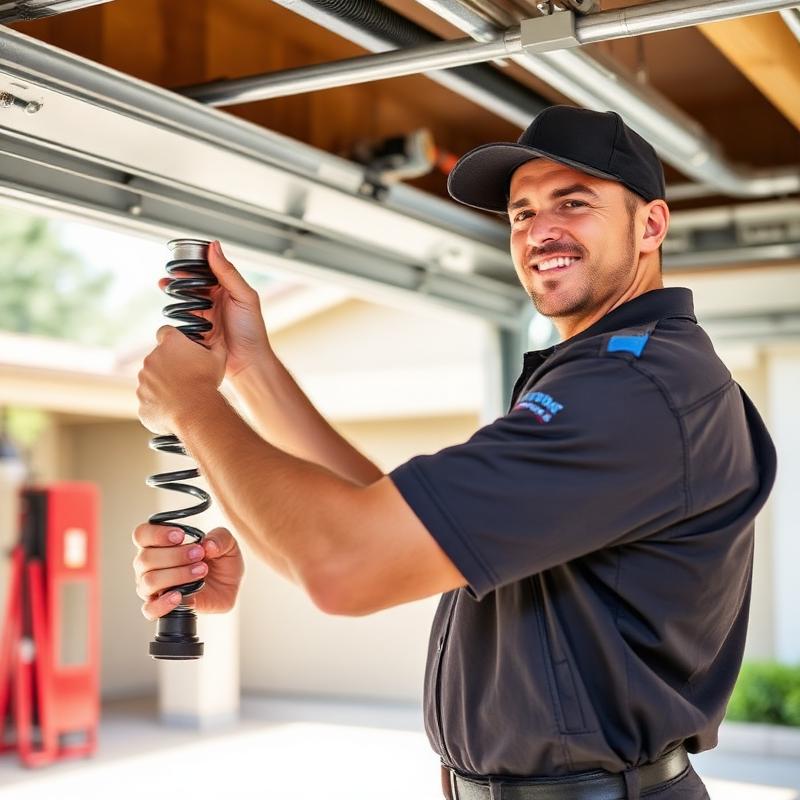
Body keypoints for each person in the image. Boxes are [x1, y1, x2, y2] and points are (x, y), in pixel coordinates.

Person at [133, 105, 777, 800]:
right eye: (522, 213)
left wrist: (193, 407)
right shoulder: (623, 373)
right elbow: (392, 524)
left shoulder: (633, 389)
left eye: (574, 203)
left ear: (650, 225)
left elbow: (344, 565)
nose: (540, 231)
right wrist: (247, 369)